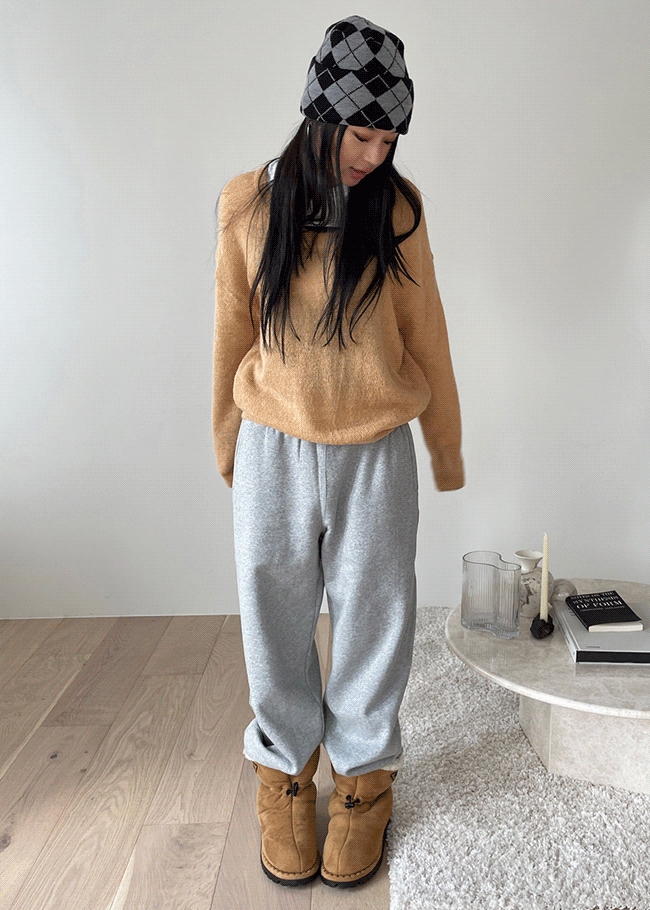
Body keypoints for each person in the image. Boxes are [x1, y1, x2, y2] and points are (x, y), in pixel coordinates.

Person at [212, 15, 464, 890]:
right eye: (362, 134)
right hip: (273, 448)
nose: (373, 153)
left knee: (375, 617)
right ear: (320, 115)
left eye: (388, 139)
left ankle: (362, 783)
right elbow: (230, 332)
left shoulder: (397, 209)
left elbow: (427, 334)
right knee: (273, 616)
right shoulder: (249, 204)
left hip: (374, 451)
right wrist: (226, 441)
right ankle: (283, 775)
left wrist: (446, 447)